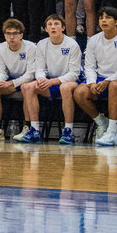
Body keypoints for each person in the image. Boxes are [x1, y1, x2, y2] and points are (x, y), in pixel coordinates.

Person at [74, 7, 117, 147]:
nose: (103, 20)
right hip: (100, 79)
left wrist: (108, 81)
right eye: (101, 17)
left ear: (116, 22)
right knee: (79, 92)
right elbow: (89, 66)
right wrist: (91, 83)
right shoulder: (94, 40)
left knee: (114, 86)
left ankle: (112, 133)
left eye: (107, 17)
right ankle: (102, 122)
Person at [16, 13, 82, 145]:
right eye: (50, 25)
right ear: (46, 29)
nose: (53, 27)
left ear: (63, 28)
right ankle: (34, 129)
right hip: (49, 82)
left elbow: (74, 73)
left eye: (56, 24)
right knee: (27, 87)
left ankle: (68, 131)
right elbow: (39, 68)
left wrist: (52, 81)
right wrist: (41, 79)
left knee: (65, 87)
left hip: (70, 82)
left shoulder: (72, 44)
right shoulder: (41, 44)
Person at [0, 19, 36, 141]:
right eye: (8, 33)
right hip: (11, 80)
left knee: (26, 87)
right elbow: (1, 71)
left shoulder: (31, 47)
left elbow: (30, 74)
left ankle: (27, 128)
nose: (11, 37)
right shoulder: (0, 48)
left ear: (21, 35)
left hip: (27, 80)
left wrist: (11, 83)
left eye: (15, 33)